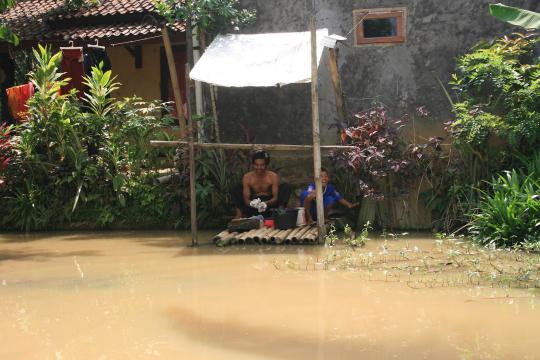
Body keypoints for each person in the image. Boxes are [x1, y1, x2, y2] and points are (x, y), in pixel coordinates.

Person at [232, 150, 291, 218]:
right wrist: (253, 204)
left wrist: (266, 203)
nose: (259, 168)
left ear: (266, 165)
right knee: (236, 188)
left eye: (262, 165)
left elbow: (275, 198)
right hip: (253, 207)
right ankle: (239, 215)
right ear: (253, 164)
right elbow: (246, 200)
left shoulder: (273, 176)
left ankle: (281, 214)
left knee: (286, 187)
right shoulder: (247, 177)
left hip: (269, 206)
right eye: (256, 165)